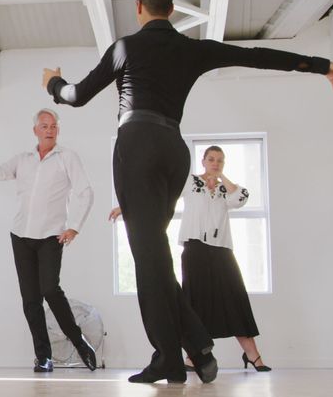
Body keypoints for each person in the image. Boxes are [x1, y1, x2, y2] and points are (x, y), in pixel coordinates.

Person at [42, 0, 333, 384]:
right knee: (155, 258)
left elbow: (76, 95)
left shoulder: (125, 47)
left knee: (149, 260)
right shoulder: (192, 48)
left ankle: (170, 357)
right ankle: (197, 347)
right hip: (174, 150)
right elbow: (257, 56)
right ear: (171, 10)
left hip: (136, 146)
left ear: (139, 6)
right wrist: (322, 66)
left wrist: (52, 82)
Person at [110, 145, 272, 372]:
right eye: (212, 159)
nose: (215, 164)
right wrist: (126, 207)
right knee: (195, 304)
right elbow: (160, 194)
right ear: (203, 161)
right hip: (195, 251)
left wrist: (221, 177)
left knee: (235, 299)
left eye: (220, 161)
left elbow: (241, 198)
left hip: (222, 251)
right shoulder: (192, 183)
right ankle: (193, 357)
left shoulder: (226, 190)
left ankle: (253, 355)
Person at [0, 108, 99, 373]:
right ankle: (44, 357)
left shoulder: (67, 158)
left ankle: (79, 341)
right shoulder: (24, 159)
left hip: (51, 236)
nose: (50, 130)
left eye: (54, 126)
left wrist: (74, 227)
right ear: (35, 130)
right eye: (44, 126)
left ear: (58, 130)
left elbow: (85, 192)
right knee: (30, 300)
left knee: (50, 290)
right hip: (21, 236)